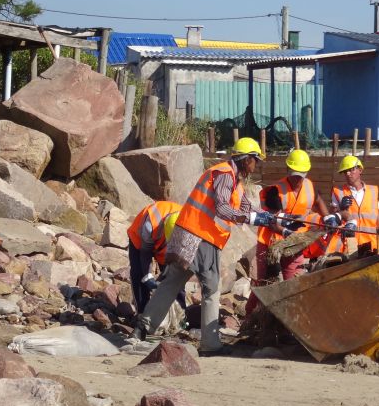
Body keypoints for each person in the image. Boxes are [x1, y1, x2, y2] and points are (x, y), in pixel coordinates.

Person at [133, 137, 271, 355]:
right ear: (246, 160)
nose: (255, 167)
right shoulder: (225, 175)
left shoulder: (234, 180)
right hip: (202, 237)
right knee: (212, 289)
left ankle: (142, 329)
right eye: (255, 161)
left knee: (172, 282)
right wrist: (252, 219)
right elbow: (224, 209)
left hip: (188, 233)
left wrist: (271, 218)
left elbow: (246, 207)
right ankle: (210, 344)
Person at [246, 148, 334, 318]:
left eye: (300, 175)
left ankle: (292, 318)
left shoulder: (310, 187)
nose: (296, 179)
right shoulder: (275, 191)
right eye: (294, 174)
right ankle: (250, 316)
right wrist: (285, 230)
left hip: (295, 243)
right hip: (270, 242)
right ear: (288, 170)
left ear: (306, 172)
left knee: (293, 280)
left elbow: (319, 202)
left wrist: (329, 217)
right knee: (263, 281)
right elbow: (270, 220)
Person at [126, 200, 184, 313]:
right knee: (139, 274)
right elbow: (145, 252)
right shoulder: (151, 224)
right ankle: (142, 313)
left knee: (174, 277)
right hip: (139, 239)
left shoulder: (187, 222)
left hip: (164, 246)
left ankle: (180, 314)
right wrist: (148, 276)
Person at [329, 155, 379, 255]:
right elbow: (332, 219)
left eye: (351, 170)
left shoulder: (373, 191)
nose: (348, 174)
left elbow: (378, 219)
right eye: (345, 171)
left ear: (360, 170)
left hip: (372, 246)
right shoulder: (338, 192)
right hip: (349, 246)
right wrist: (341, 209)